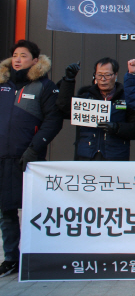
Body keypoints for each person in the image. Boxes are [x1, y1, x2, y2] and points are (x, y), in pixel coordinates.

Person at [0, 40, 62, 276]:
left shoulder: (43, 87)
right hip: (1, 158)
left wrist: (34, 150)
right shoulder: (3, 84)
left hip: (28, 160)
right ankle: (10, 258)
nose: (17, 59)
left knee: (33, 211)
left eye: (23, 55)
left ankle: (34, 256)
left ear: (35, 60)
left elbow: (52, 121)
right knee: (5, 212)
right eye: (15, 55)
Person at [56, 58, 135, 160]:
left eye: (107, 75)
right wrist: (68, 80)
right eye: (99, 75)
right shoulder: (86, 97)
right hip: (86, 156)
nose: (103, 79)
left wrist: (117, 127)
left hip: (115, 157)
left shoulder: (127, 98)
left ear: (115, 75)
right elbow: (64, 107)